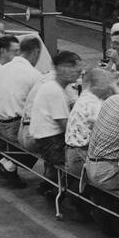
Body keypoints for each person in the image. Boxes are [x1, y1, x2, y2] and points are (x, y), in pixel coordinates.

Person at [0, 35, 44, 189]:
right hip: (14, 127)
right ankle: (9, 165)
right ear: (35, 53)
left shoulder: (4, 67)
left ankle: (5, 160)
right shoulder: (34, 74)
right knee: (45, 136)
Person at [28, 50, 82, 181]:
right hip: (52, 145)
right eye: (71, 67)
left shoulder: (54, 87)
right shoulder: (54, 91)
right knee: (85, 159)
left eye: (78, 68)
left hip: (46, 141)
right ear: (59, 68)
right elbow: (66, 127)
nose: (77, 72)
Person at [65, 67, 116, 179]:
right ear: (99, 86)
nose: (109, 88)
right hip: (81, 156)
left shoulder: (85, 97)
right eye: (108, 84)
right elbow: (108, 130)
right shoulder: (93, 104)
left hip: (72, 153)